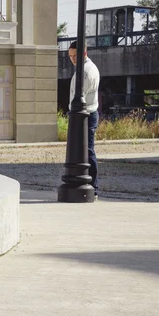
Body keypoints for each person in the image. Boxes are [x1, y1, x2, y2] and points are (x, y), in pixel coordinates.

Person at [68, 40, 100, 198]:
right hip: (84, 114)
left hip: (86, 115)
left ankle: (92, 186)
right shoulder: (82, 69)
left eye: (75, 55)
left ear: (84, 53)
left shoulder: (87, 71)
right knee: (84, 151)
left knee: (87, 151)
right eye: (70, 56)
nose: (72, 59)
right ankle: (88, 184)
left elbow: (79, 96)